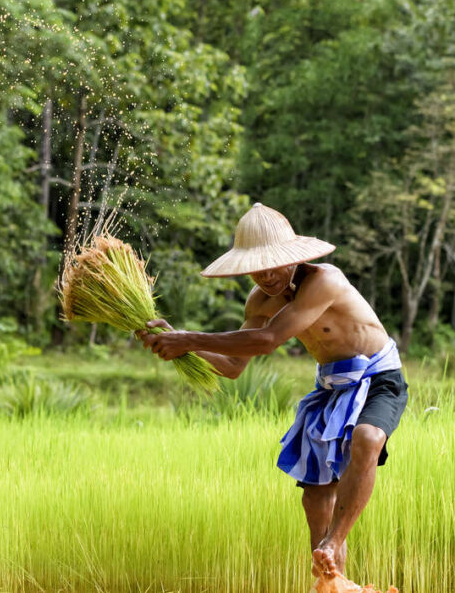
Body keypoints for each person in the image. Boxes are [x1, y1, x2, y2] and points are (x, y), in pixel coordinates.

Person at [138, 203, 408, 578]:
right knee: (316, 497)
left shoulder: (325, 280)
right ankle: (330, 579)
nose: (266, 275)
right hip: (332, 387)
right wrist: (180, 345)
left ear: (292, 258)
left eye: (274, 264)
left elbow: (267, 340)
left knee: (368, 437)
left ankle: (333, 542)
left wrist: (188, 338)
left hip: (378, 377)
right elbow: (234, 366)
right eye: (257, 267)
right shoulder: (260, 301)